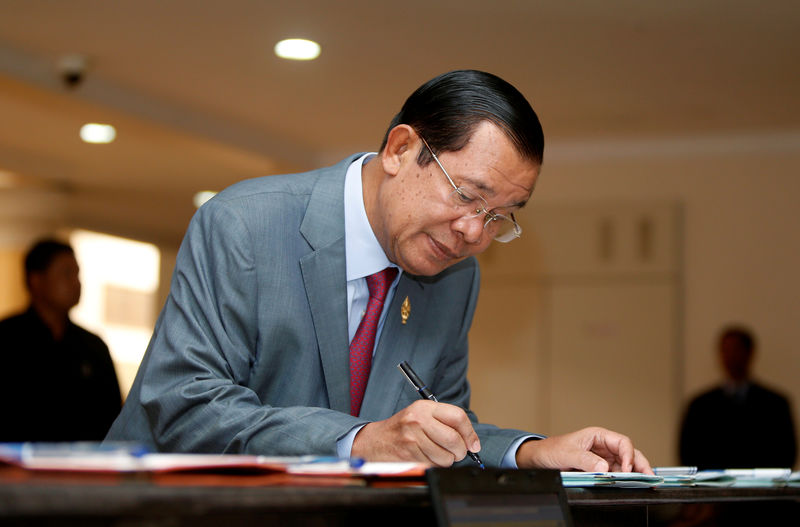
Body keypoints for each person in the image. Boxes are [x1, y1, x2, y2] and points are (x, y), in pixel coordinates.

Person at [107, 70, 651, 472]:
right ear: (400, 149)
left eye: (498, 217)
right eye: (467, 196)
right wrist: (363, 439)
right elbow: (184, 406)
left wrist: (532, 452)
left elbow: (436, 429)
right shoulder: (244, 224)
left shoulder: (455, 279)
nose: (474, 234)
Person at [0, 239, 123, 441]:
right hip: (13, 467)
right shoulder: (7, 338)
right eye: (66, 273)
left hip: (83, 467)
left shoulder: (93, 347)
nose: (76, 283)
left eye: (77, 274)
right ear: (36, 280)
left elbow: (112, 419)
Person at [680, 325, 797, 469]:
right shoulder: (700, 405)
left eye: (737, 349)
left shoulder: (775, 403)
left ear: (750, 353)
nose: (731, 356)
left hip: (763, 487)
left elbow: (786, 453)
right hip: (711, 487)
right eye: (726, 350)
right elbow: (688, 453)